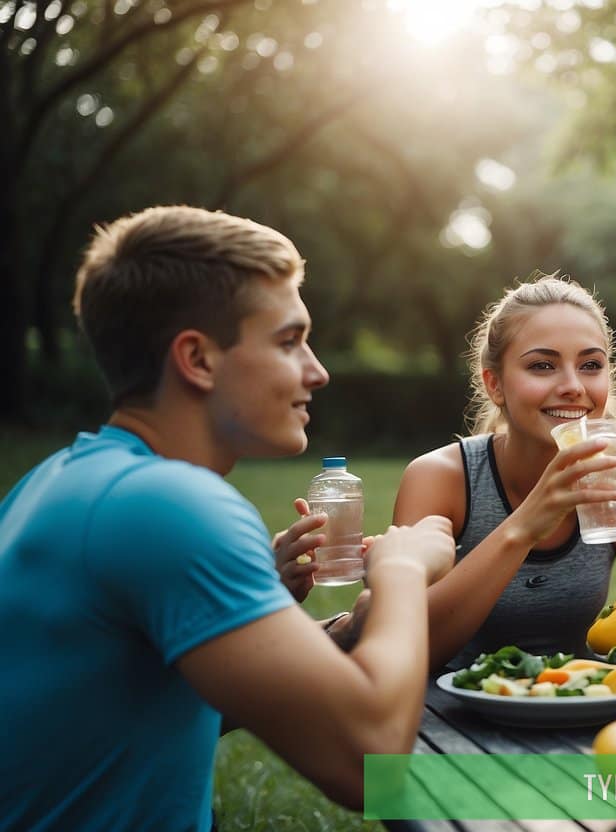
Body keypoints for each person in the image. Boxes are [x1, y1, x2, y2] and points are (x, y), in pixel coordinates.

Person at [0, 205, 455, 830]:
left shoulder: (56, 479)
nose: (317, 371)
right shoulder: (169, 506)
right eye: (289, 341)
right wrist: (401, 571)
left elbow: (173, 705)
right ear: (198, 359)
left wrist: (349, 627)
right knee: (601, 796)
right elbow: (368, 761)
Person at [395, 273, 616, 669]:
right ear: (495, 384)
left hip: (577, 707)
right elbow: (407, 644)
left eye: (590, 364)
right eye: (542, 365)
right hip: (448, 719)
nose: (572, 385)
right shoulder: (441, 478)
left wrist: (604, 651)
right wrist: (526, 525)